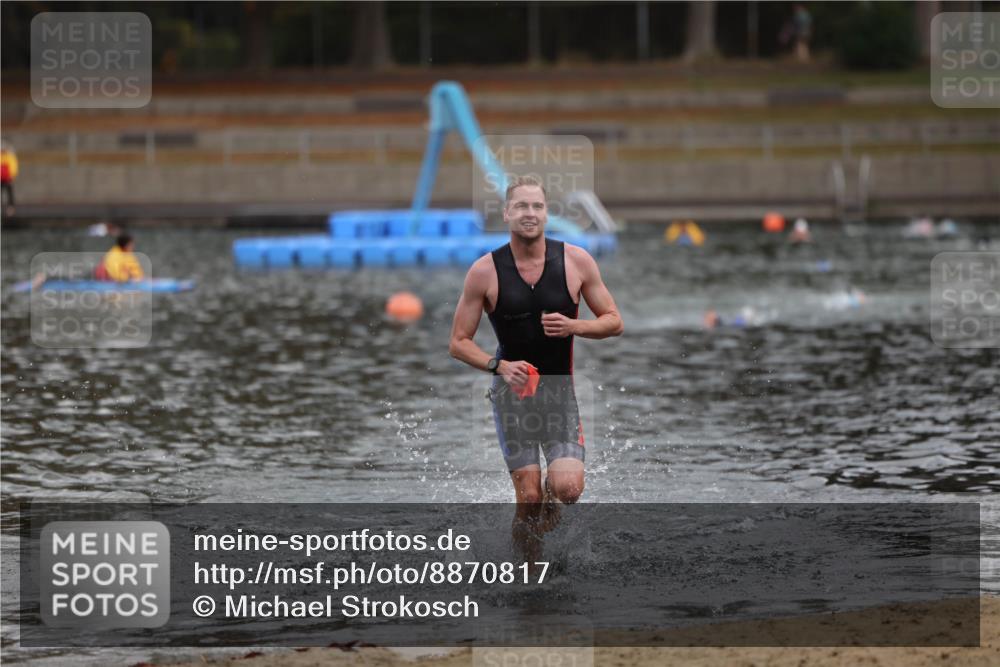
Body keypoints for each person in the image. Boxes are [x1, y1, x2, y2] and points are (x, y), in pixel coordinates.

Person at [449, 176, 623, 558]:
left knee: (568, 491)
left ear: (547, 213)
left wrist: (575, 325)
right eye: (522, 206)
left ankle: (549, 502)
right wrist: (499, 366)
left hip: (559, 393)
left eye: (537, 206)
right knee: (527, 498)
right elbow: (458, 343)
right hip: (513, 397)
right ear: (508, 213)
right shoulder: (485, 271)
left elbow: (613, 320)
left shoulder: (576, 261)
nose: (530, 213)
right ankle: (529, 583)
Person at [1, 141, 18, 218]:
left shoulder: (9, 156)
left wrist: (11, 176)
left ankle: (10, 208)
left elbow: (13, 167)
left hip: (7, 178)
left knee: (9, 193)